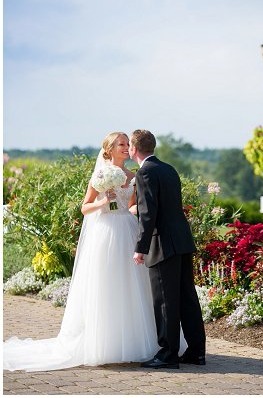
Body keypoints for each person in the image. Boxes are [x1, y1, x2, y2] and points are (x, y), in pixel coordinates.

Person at [3, 133, 181, 371]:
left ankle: (138, 341)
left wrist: (141, 209)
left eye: (128, 144)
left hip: (128, 231)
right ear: (109, 149)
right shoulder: (100, 174)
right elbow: (85, 207)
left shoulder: (134, 175)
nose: (126, 148)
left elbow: (130, 206)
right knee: (108, 287)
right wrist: (102, 202)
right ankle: (106, 344)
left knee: (133, 287)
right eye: (121, 144)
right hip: (106, 233)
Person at [130, 129, 206, 368]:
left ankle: (167, 355)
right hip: (182, 240)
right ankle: (196, 352)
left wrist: (140, 248)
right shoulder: (169, 169)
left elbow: (148, 213)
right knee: (187, 299)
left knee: (165, 301)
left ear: (133, 148)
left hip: (162, 243)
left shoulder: (145, 172)